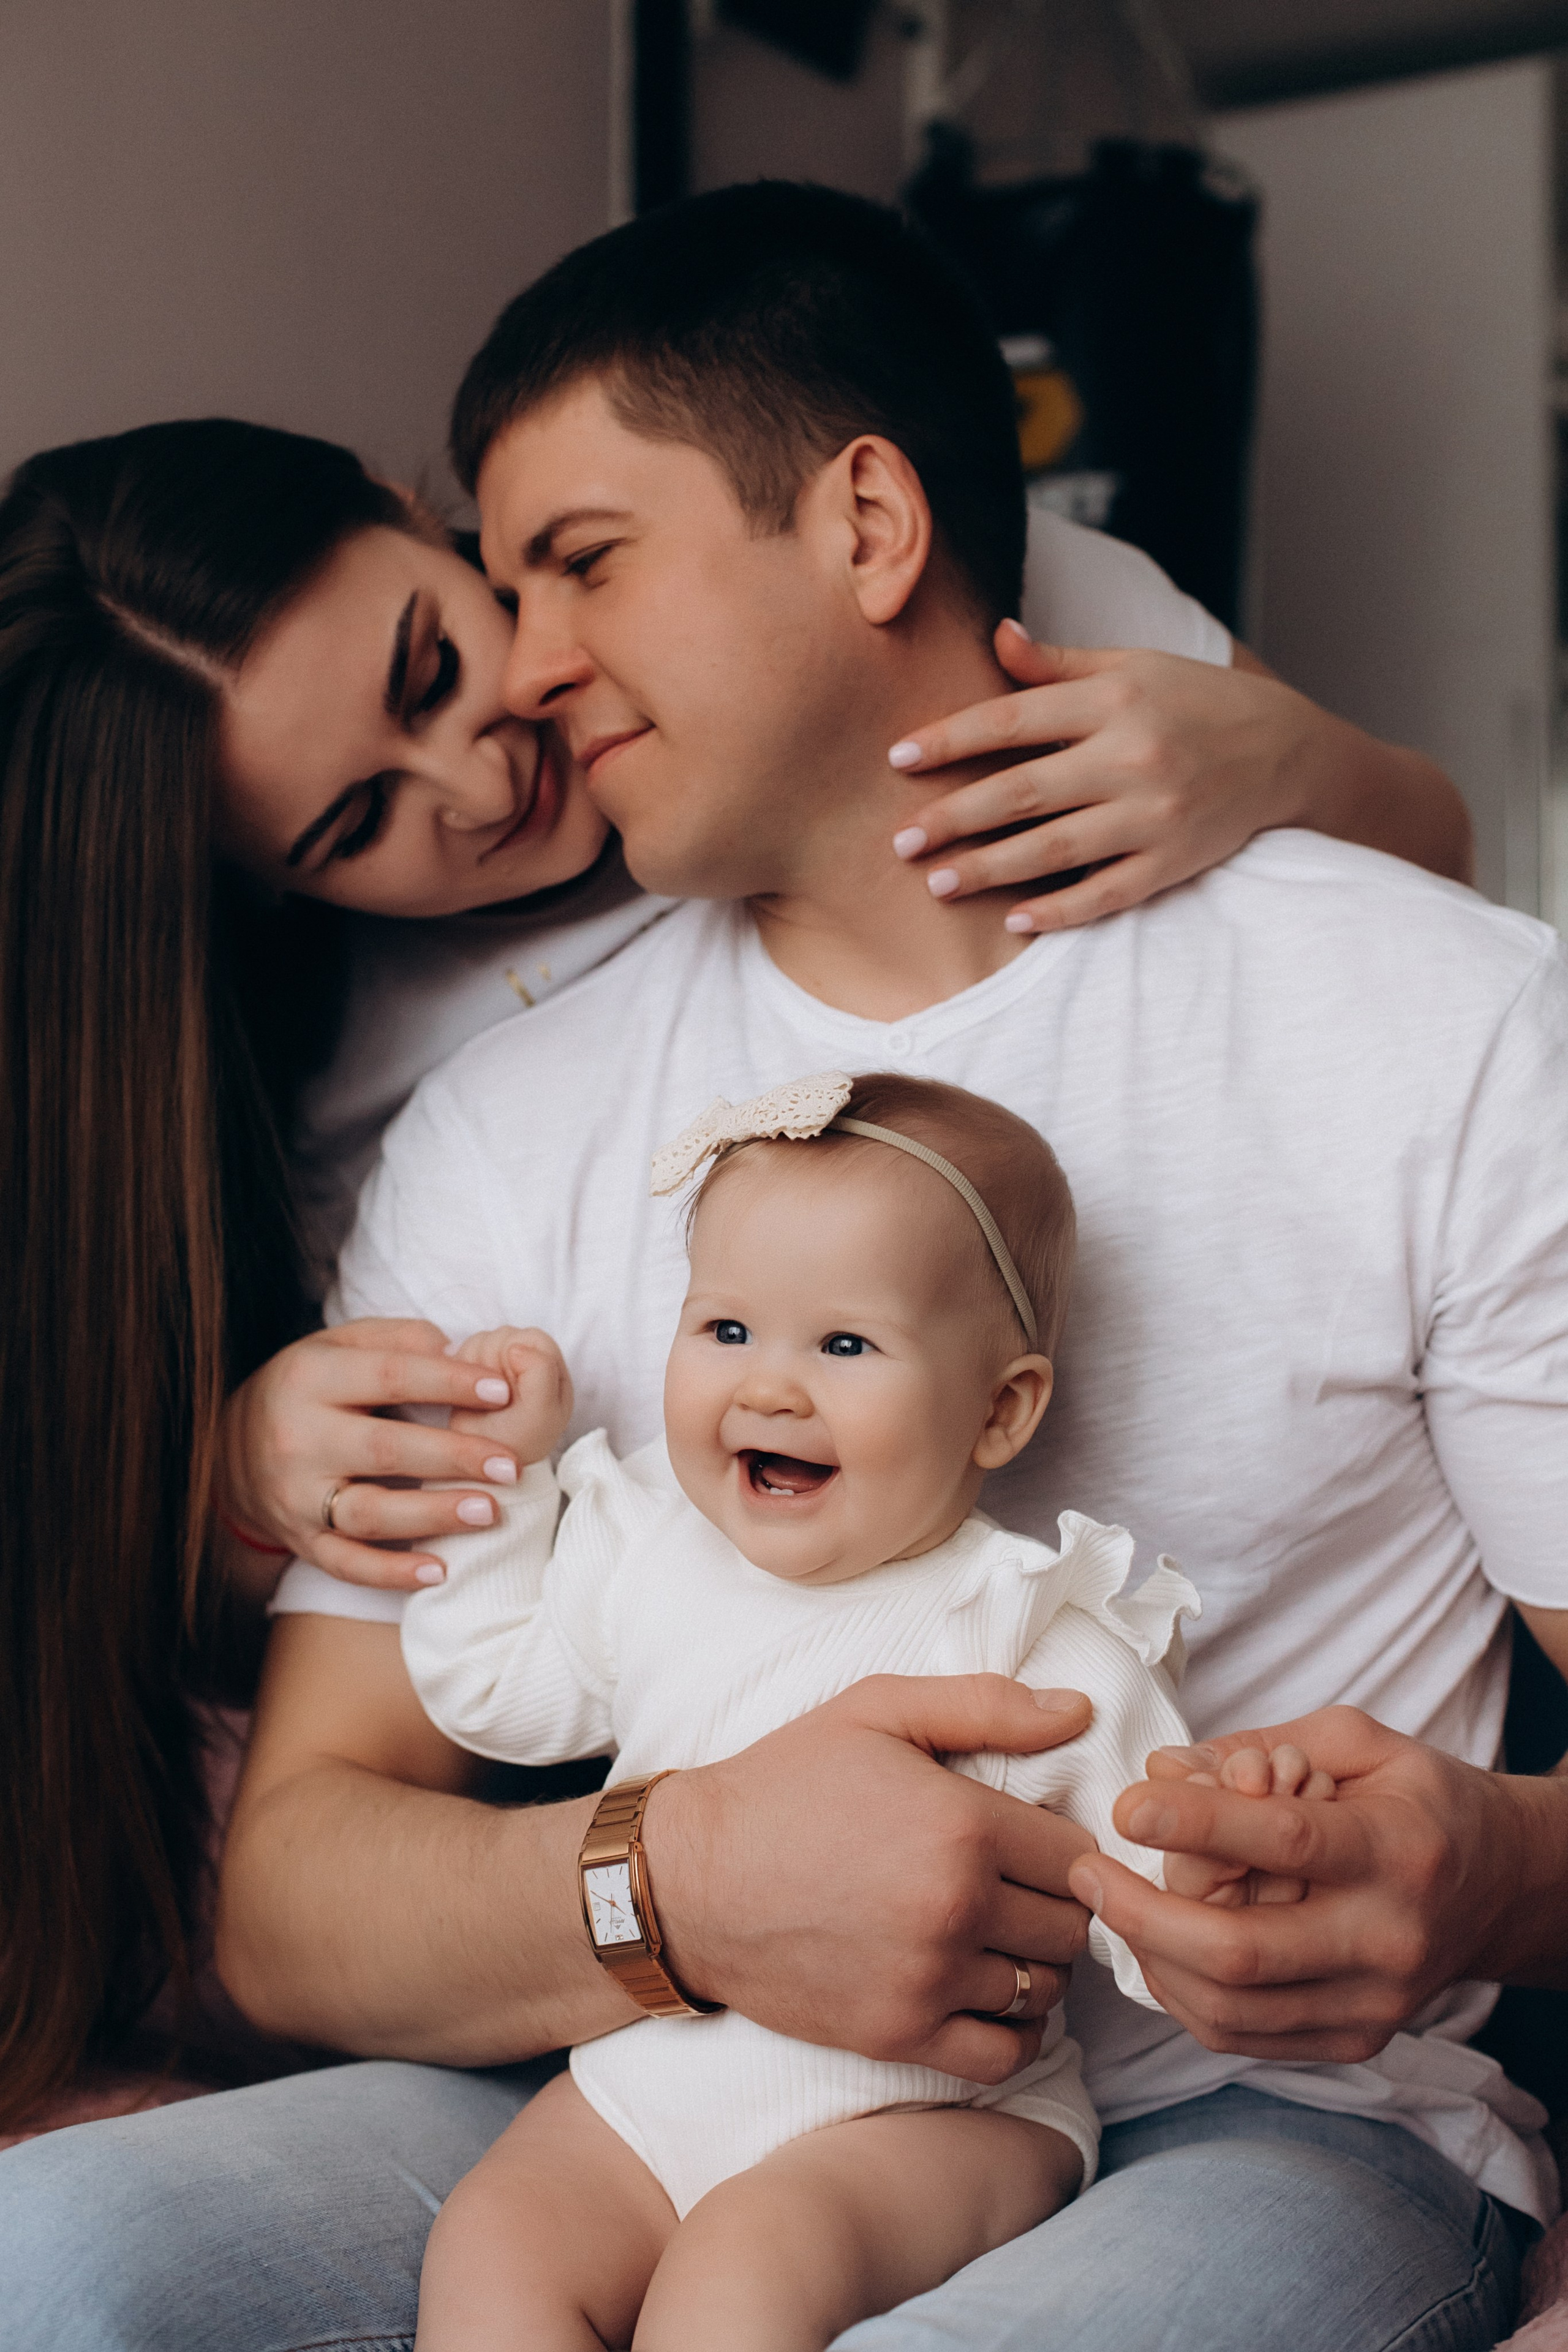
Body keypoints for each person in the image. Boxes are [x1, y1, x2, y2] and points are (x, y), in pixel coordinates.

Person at [0, 191, 1504, 2345]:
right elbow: (322, 1852)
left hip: (1243, 2101)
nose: (511, 703)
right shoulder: (459, 1091)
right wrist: (673, 1881)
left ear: (871, 523)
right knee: (57, 2255)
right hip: (654, 2052)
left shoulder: (1228, 807)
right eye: (356, 818)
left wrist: (1318, 778)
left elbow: (1415, 883)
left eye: (534, 592)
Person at [402, 1071, 1201, 2350]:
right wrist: (503, 1494)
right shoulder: (649, 1546)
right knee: (494, 2248)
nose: (767, 1389)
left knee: (743, 2272)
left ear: (999, 1408)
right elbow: (493, 1691)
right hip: (642, 2091)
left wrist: (1229, 1860)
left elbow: (1160, 1869)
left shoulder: (1020, 1625)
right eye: (724, 1330)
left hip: (929, 2124)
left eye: (841, 1346)